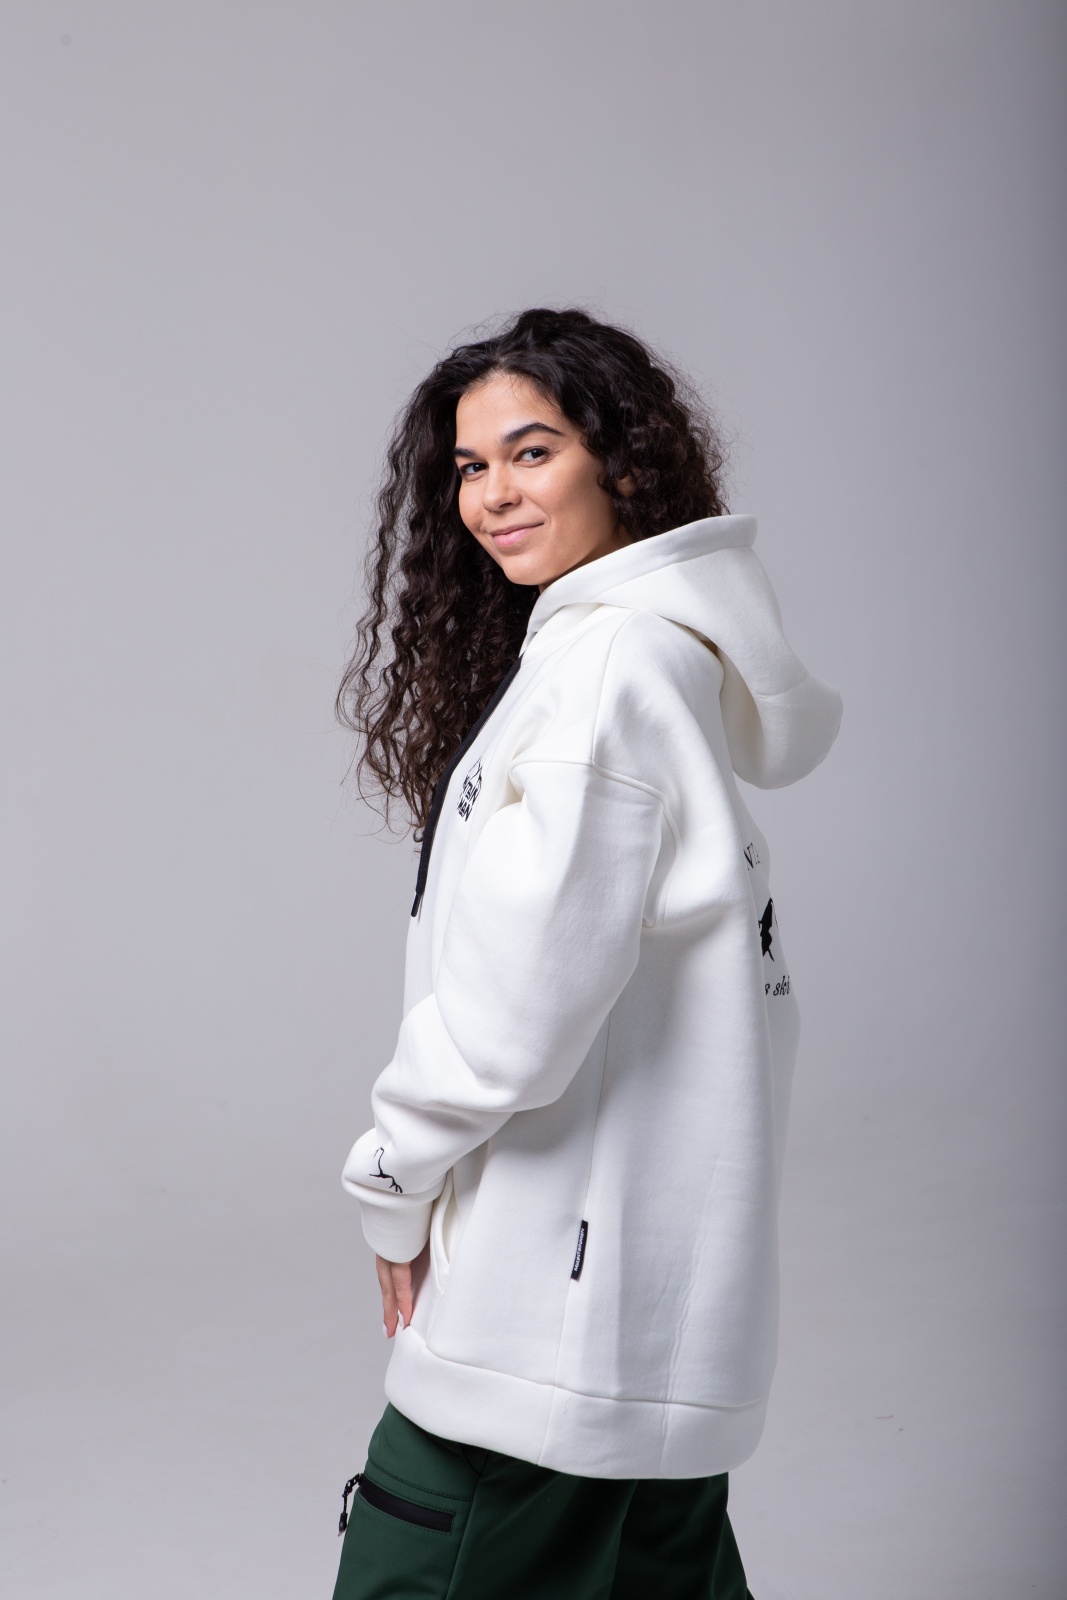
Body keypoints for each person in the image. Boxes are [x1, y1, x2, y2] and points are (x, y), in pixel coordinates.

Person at [332, 308, 841, 1598]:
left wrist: (391, 1177)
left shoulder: (605, 674)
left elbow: (513, 1016)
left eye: (532, 451)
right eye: (469, 466)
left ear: (620, 461)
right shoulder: (648, 660)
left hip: (543, 1320)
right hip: (642, 1313)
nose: (492, 496)